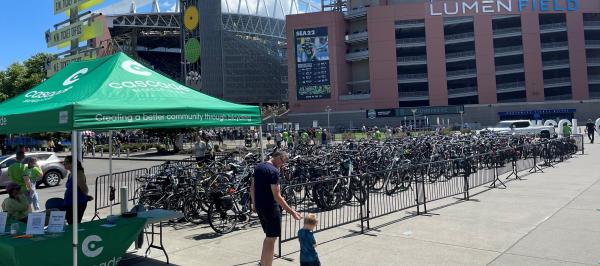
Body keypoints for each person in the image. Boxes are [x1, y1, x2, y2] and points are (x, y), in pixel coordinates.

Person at [250, 151, 301, 266]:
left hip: (260, 206)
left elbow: (252, 187)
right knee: (271, 238)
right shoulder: (273, 171)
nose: (283, 164)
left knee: (269, 237)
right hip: (270, 208)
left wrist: (254, 204)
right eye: (283, 161)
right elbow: (277, 196)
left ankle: (263, 263)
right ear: (277, 157)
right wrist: (291, 211)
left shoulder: (258, 167)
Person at [63, 157, 91, 225]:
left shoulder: (78, 173)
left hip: (77, 203)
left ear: (72, 164)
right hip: (70, 203)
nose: (64, 164)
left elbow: (85, 189)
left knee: (74, 224)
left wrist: (86, 196)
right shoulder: (70, 174)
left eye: (66, 162)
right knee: (71, 224)